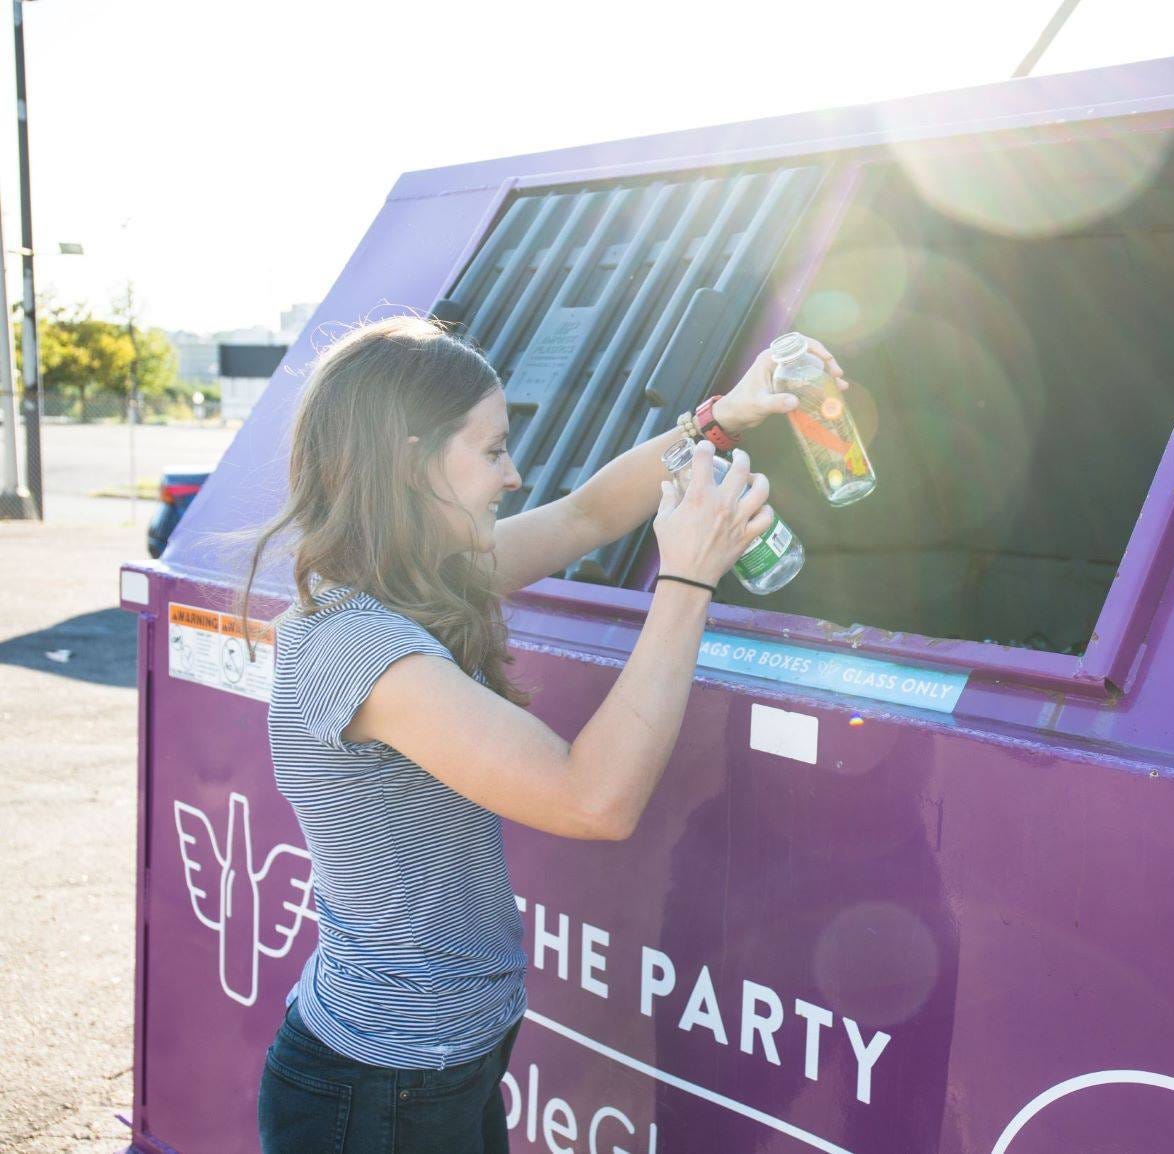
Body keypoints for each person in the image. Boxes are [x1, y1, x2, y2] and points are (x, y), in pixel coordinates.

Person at [247, 314, 845, 1154]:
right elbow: (592, 799)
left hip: (439, 1065)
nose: (514, 474)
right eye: (491, 451)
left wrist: (722, 417)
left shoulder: (405, 581)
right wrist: (686, 577)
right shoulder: (363, 646)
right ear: (411, 464)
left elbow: (586, 516)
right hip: (377, 1095)